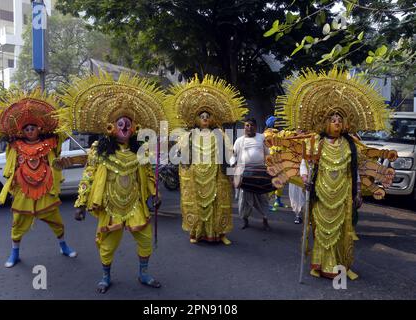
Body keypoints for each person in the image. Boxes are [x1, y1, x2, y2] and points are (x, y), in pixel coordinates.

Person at [265, 68, 398, 281]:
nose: (336, 122)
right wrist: (305, 178)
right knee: (322, 232)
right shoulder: (315, 141)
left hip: (343, 195)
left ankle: (341, 266)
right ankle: (320, 266)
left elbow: (355, 170)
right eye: (332, 118)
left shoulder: (350, 145)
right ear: (324, 122)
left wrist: (359, 190)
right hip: (321, 194)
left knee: (342, 233)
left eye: (339, 118)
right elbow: (304, 162)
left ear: (345, 123)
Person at [60, 72, 169, 293]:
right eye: (120, 124)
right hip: (110, 205)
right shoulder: (98, 152)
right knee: (108, 246)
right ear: (111, 127)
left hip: (135, 204)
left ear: (134, 128)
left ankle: (144, 273)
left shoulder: (141, 151)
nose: (124, 127)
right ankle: (105, 277)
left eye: (128, 124)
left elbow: (148, 175)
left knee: (146, 239)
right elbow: (88, 176)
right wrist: (80, 204)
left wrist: (154, 193)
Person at [0, 89, 77, 268]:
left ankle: (63, 246)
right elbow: (8, 159)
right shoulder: (15, 146)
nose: (30, 131)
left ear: (39, 128)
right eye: (26, 129)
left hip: (46, 190)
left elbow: (63, 132)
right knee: (18, 222)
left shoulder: (50, 144)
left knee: (57, 220)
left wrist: (61, 119)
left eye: (33, 128)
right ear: (22, 130)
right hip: (23, 191)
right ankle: (15, 253)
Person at [165, 74, 248, 245]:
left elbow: (229, 155)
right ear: (195, 119)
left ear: (212, 119)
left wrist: (233, 174)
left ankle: (219, 233)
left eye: (207, 116)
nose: (204, 119)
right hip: (196, 176)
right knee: (197, 205)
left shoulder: (220, 134)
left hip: (216, 175)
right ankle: (196, 232)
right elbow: (181, 153)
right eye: (201, 116)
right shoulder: (189, 135)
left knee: (218, 203)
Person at [231, 118, 270, 230]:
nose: (249, 127)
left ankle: (265, 219)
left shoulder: (262, 138)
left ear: (256, 127)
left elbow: (268, 154)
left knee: (263, 199)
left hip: (260, 174)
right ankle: (245, 220)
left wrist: (271, 167)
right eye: (247, 125)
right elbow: (233, 156)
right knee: (243, 200)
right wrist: (234, 168)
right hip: (244, 175)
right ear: (244, 128)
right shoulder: (239, 141)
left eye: (251, 125)